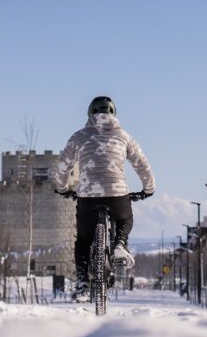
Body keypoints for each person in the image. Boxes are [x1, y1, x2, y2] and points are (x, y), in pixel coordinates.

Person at [54, 96, 155, 302]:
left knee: (83, 240)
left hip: (87, 196)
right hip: (117, 194)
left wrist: (63, 188)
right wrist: (148, 189)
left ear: (90, 114)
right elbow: (142, 165)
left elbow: (63, 166)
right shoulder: (124, 136)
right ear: (113, 114)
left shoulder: (79, 137)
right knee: (126, 219)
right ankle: (120, 243)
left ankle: (82, 283)